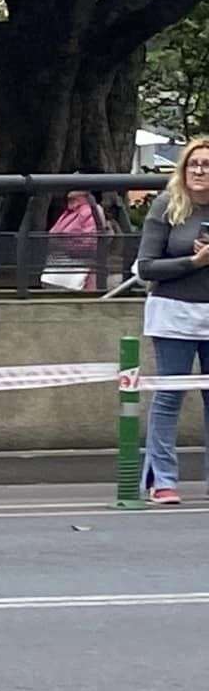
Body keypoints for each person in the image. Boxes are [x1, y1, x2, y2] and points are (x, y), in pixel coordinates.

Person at [137, 136, 209, 504]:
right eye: (193, 164)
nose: (199, 171)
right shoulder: (167, 206)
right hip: (174, 314)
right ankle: (161, 480)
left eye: (207, 165)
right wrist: (193, 263)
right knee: (169, 396)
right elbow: (146, 267)